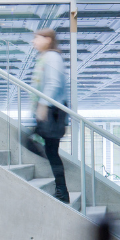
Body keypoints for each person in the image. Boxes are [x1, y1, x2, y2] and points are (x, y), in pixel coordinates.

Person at [20, 28, 71, 204]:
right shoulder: (44, 57)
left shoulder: (52, 57)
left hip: (53, 110)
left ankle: (62, 191)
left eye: (37, 38)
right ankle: (62, 192)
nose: (34, 42)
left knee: (36, 144)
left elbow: (53, 83)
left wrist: (42, 104)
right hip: (50, 108)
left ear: (48, 40)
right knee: (50, 151)